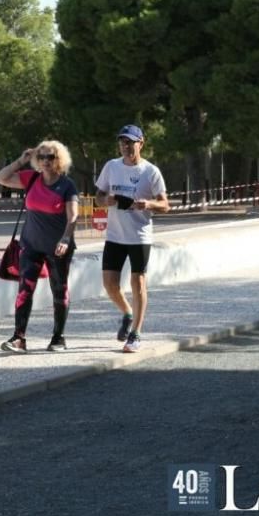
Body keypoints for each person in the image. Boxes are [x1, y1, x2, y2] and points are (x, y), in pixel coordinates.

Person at [0, 140, 79, 353]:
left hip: (58, 247)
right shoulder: (31, 179)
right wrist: (21, 161)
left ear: (59, 160)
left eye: (50, 157)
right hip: (30, 246)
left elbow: (73, 216)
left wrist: (66, 239)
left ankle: (58, 338)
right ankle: (19, 338)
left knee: (59, 291)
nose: (45, 161)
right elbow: (0, 178)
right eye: (41, 157)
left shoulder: (67, 185)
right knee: (25, 290)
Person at [95, 125, 170, 353]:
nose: (127, 147)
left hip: (139, 236)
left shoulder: (150, 172)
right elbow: (98, 196)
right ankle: (127, 312)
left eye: (131, 142)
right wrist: (105, 200)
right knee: (109, 285)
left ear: (141, 143)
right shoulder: (111, 166)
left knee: (137, 283)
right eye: (123, 142)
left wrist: (148, 204)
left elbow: (165, 205)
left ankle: (136, 334)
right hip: (115, 236)